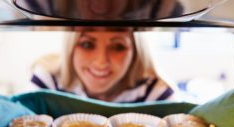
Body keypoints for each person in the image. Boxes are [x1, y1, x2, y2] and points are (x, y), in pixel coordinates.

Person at [31, 27, 177, 102]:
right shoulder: (47, 82)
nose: (101, 62)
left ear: (136, 51)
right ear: (70, 47)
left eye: (118, 47)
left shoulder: (157, 94)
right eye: (87, 44)